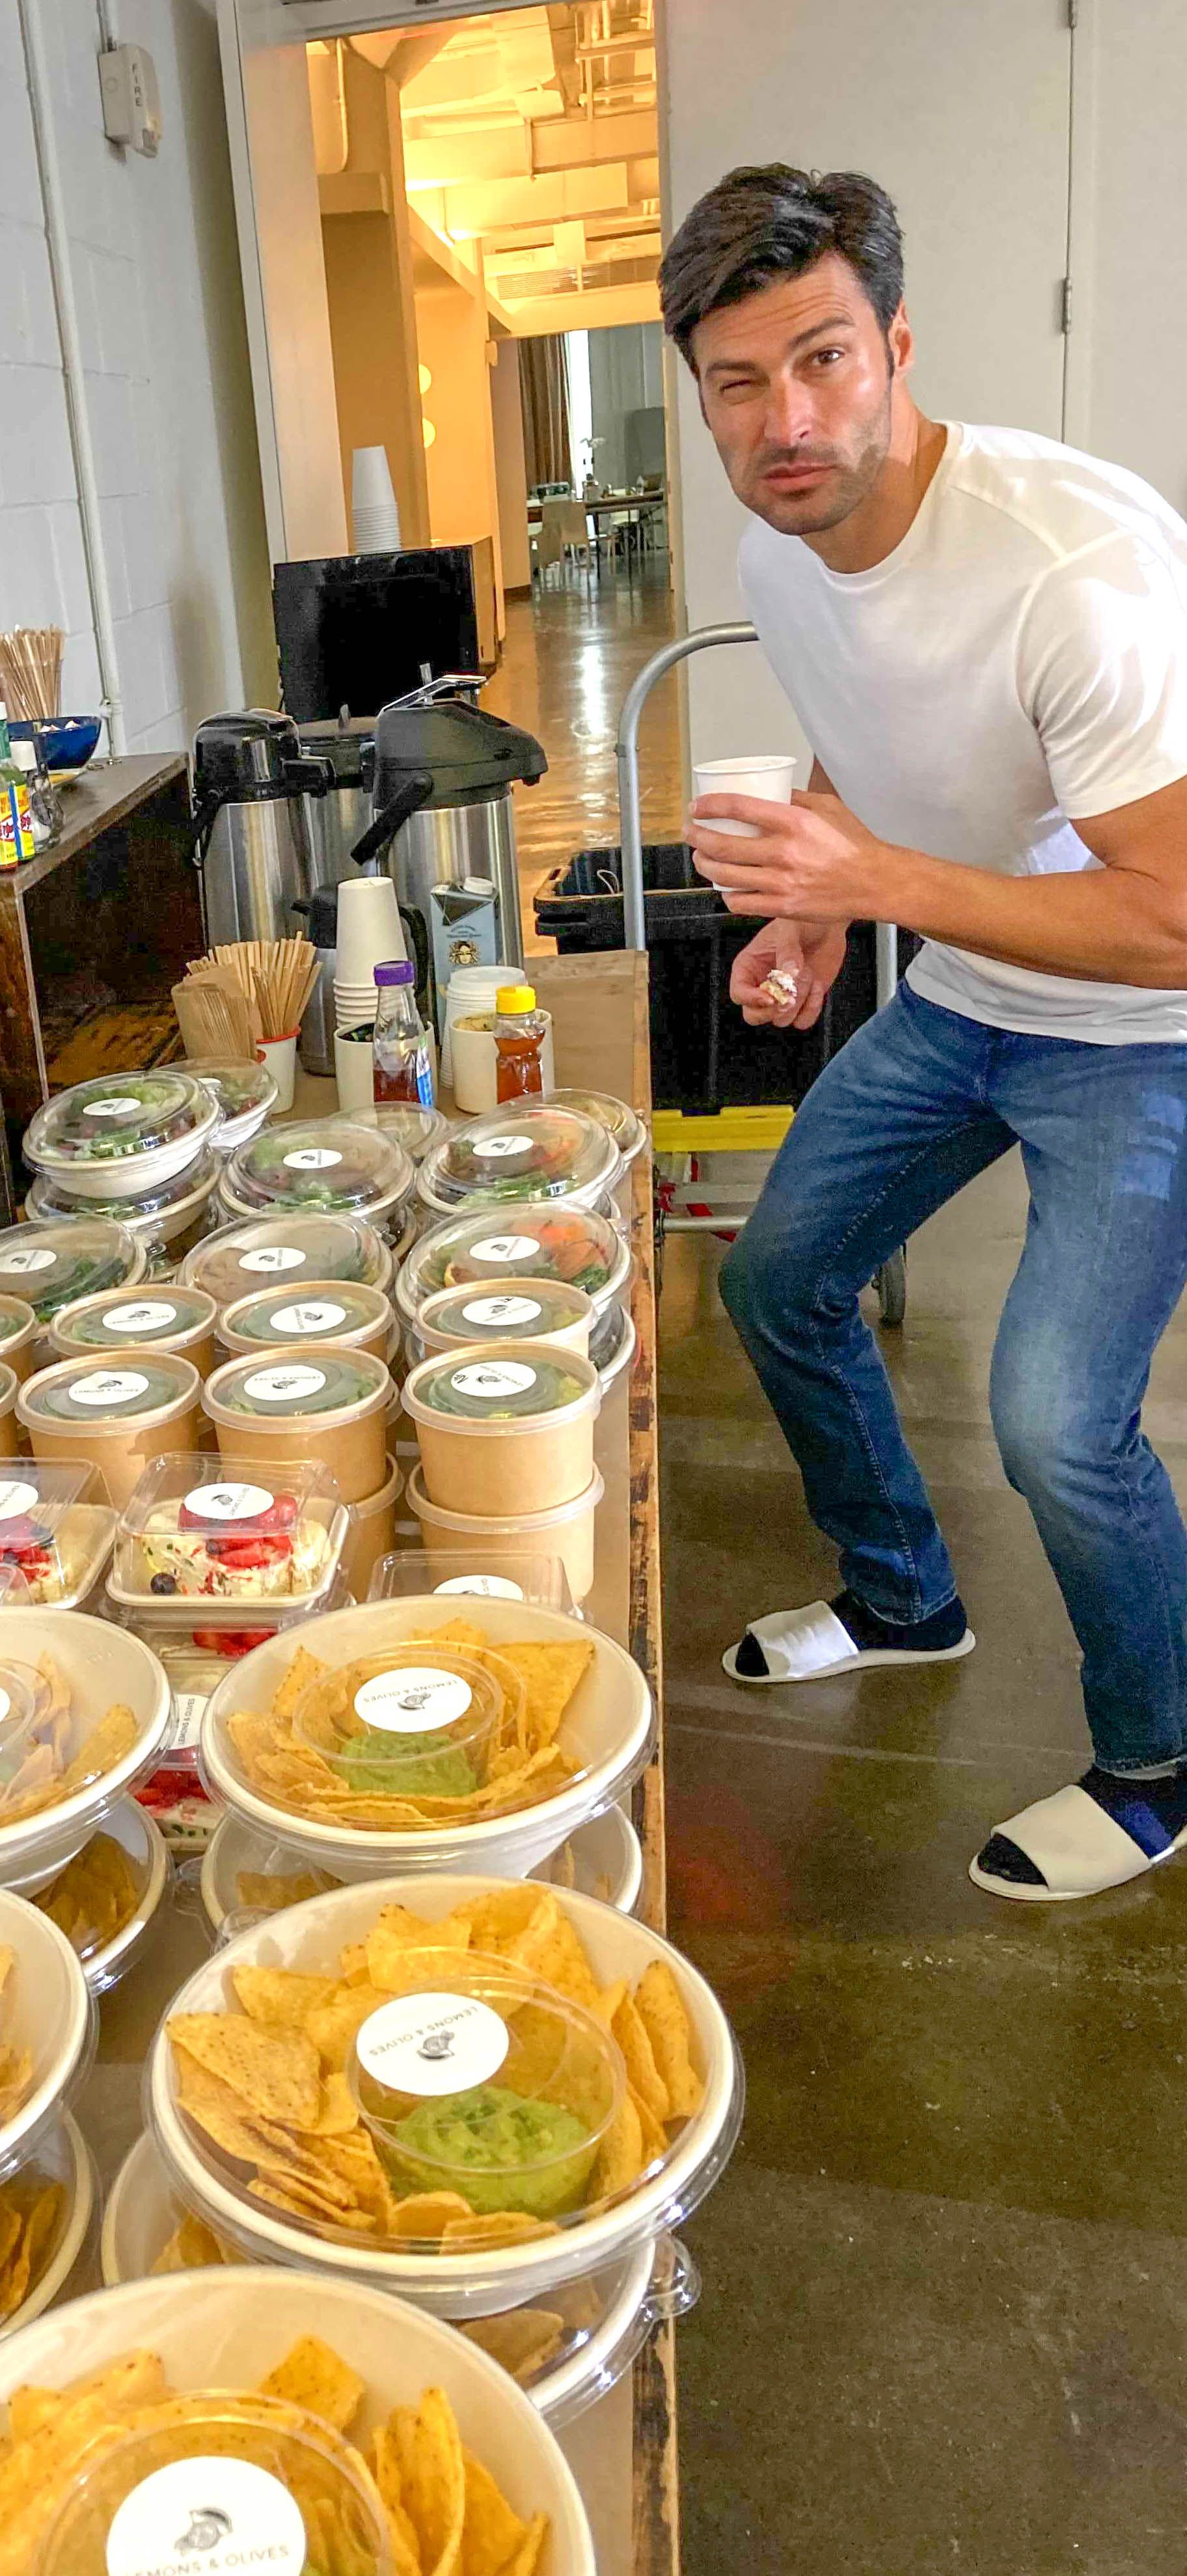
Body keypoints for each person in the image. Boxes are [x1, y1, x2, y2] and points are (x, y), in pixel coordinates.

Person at [661, 163, 1187, 1902]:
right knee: (773, 1275)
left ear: (897, 344)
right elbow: (859, 742)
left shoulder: (1079, 569)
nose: (785, 419)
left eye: (822, 361)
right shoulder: (779, 547)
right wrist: (818, 913)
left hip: (1145, 1028)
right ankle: (903, 1597)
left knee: (1051, 1418)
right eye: (739, 383)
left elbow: (1175, 914)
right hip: (966, 994)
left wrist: (872, 876)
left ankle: (1161, 1758)